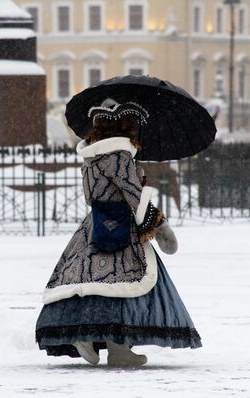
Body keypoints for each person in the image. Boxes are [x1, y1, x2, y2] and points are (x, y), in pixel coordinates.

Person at [35, 98, 201, 367]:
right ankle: (113, 347)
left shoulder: (91, 158)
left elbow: (91, 196)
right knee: (122, 285)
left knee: (91, 281)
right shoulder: (120, 156)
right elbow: (134, 197)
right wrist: (160, 226)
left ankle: (89, 336)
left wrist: (134, 174)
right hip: (122, 226)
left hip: (95, 225)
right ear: (126, 126)